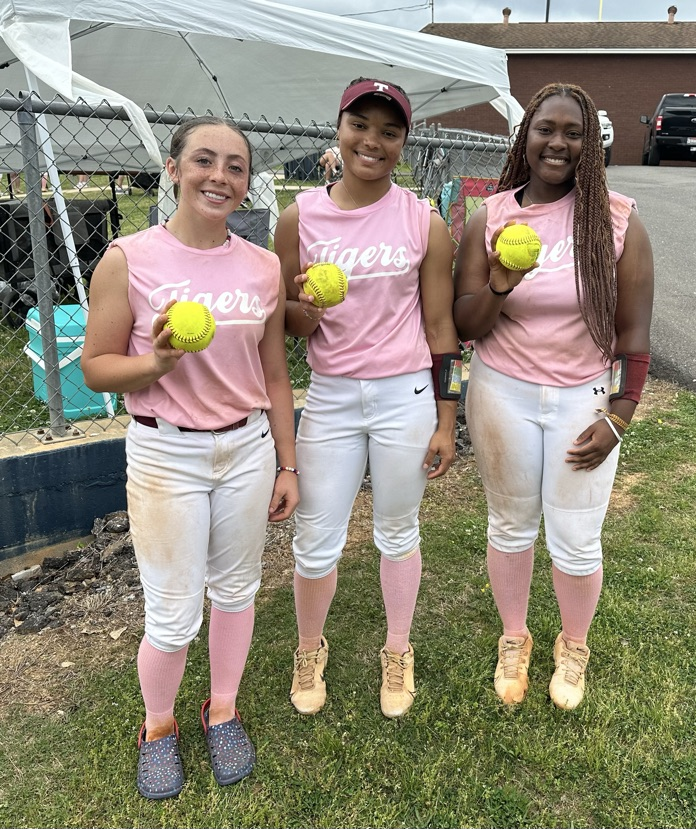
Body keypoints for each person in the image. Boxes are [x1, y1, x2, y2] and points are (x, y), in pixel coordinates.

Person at [81, 115, 299, 798]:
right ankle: (158, 726)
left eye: (236, 166)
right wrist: (157, 361)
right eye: (204, 160)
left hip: (247, 447)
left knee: (237, 591)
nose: (220, 176)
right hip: (165, 452)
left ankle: (223, 708)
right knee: (174, 610)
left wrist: (288, 462)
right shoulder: (130, 258)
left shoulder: (262, 265)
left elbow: (276, 375)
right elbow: (94, 367)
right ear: (173, 168)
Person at [453, 83, 654, 711]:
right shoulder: (492, 217)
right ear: (525, 136)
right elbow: (465, 322)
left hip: (581, 399)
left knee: (575, 536)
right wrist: (501, 285)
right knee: (510, 526)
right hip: (501, 392)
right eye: (546, 129)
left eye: (574, 132)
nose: (558, 143)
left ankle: (573, 644)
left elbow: (634, 333)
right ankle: (515, 637)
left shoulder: (619, 218)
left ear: (590, 145)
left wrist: (620, 413)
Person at [275, 78, 460, 719]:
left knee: (397, 531)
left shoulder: (423, 221)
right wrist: (309, 307)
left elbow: (443, 332)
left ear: (404, 142)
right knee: (315, 537)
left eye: (389, 130)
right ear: (339, 128)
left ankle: (398, 649)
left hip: (406, 395)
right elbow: (291, 326)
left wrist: (448, 415)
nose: (372, 141)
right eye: (361, 125)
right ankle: (308, 647)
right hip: (330, 397)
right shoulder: (300, 217)